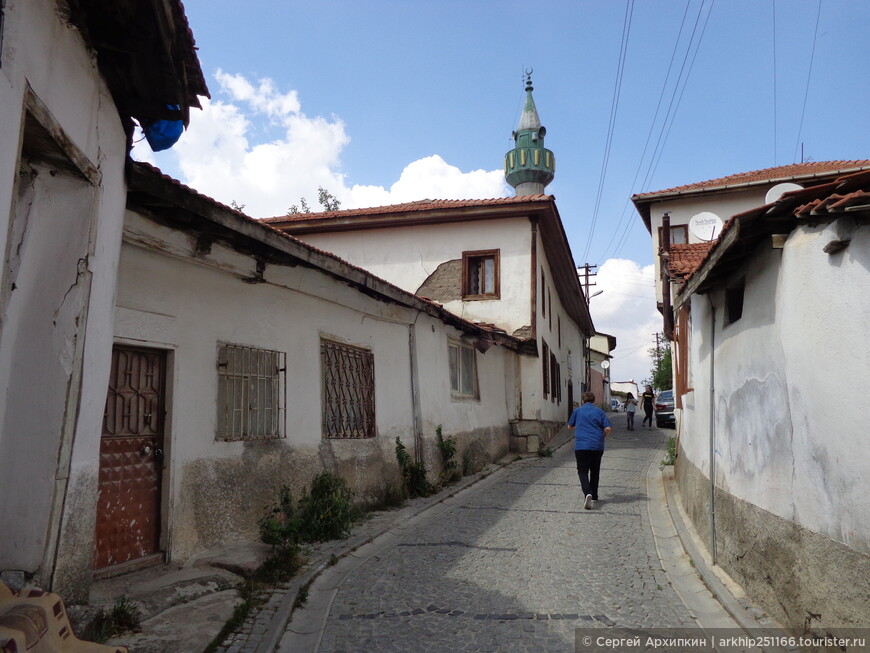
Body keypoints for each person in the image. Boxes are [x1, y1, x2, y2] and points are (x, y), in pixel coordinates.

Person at [567, 391, 612, 510]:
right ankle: (594, 496)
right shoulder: (600, 412)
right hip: (597, 446)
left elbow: (569, 426)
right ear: (594, 401)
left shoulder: (577, 411)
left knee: (582, 471)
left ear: (583, 400)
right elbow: (607, 428)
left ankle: (587, 492)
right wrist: (603, 436)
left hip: (582, 446)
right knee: (595, 471)